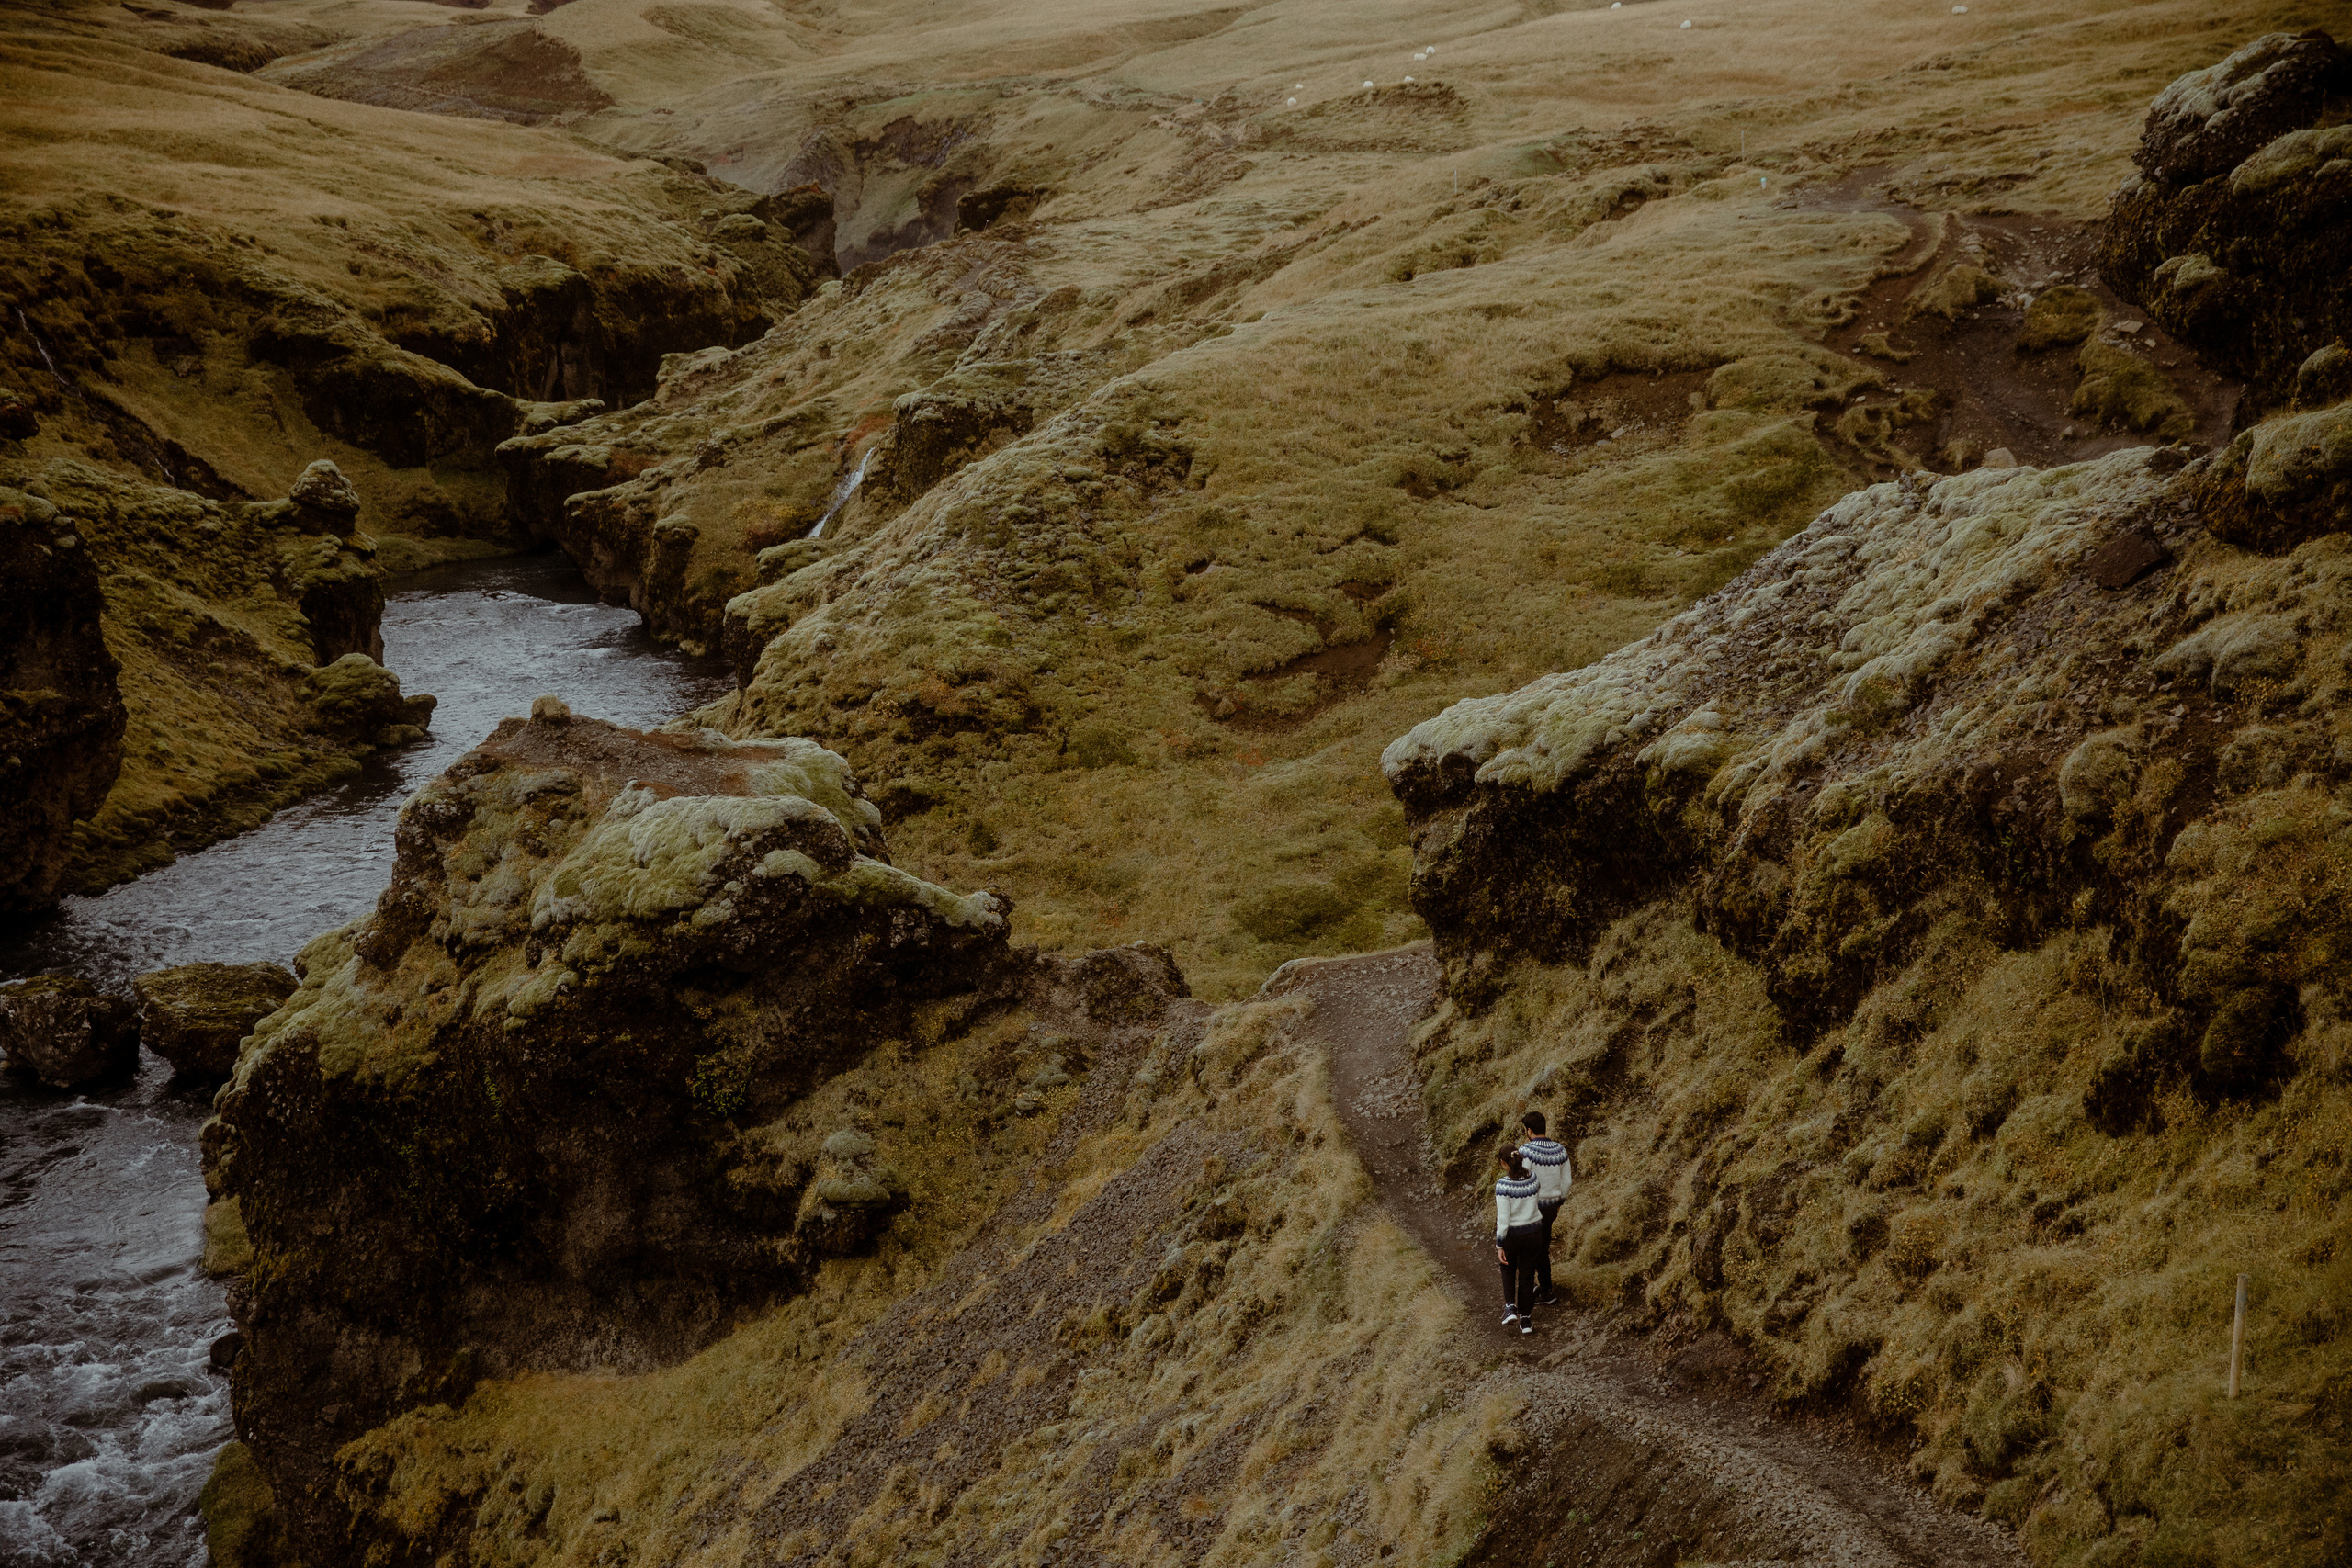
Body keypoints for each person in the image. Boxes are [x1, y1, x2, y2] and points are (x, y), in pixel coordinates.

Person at [1518, 1111, 1573, 1307]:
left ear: (1529, 1130)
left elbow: (1522, 1180)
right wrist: (1559, 1202)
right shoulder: (1560, 1150)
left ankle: (1536, 1289)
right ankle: (1545, 1289)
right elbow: (1567, 1181)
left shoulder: (1526, 1151)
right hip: (1550, 1208)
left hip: (1531, 1207)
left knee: (1526, 1248)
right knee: (1542, 1248)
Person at [1493, 1145, 1542, 1334]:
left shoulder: (1503, 1185)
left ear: (1503, 1163)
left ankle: (1510, 1307)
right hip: (1533, 1232)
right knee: (1527, 1275)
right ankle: (1526, 1320)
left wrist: (1500, 1244)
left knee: (1507, 1268)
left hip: (1512, 1235)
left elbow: (1503, 1219)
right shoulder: (1533, 1178)